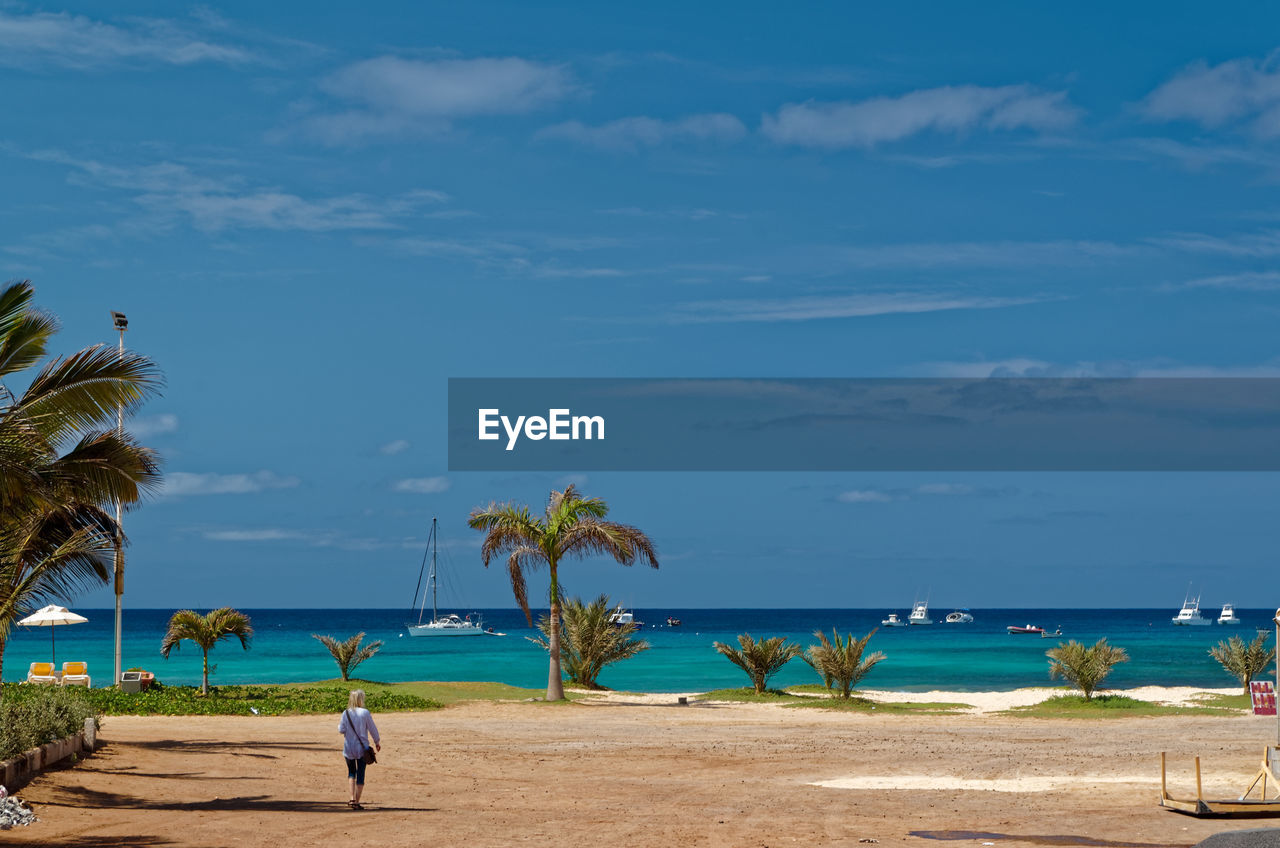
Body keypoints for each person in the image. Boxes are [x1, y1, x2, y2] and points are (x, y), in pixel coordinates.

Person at [338, 689, 381, 809]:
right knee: (361, 774)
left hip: (349, 747)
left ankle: (352, 798)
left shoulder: (345, 713)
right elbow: (372, 728)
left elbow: (341, 729)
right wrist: (377, 741)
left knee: (351, 772)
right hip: (362, 748)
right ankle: (357, 801)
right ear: (361, 699)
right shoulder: (365, 713)